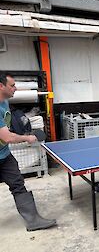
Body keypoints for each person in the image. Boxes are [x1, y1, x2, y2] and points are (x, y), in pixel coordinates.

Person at [0, 73, 56, 231]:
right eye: (12, 85)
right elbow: (7, 137)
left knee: (18, 184)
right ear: (1, 86)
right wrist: (28, 138)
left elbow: (6, 129)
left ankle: (33, 221)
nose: (16, 88)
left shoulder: (4, 103)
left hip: (4, 155)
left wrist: (20, 135)